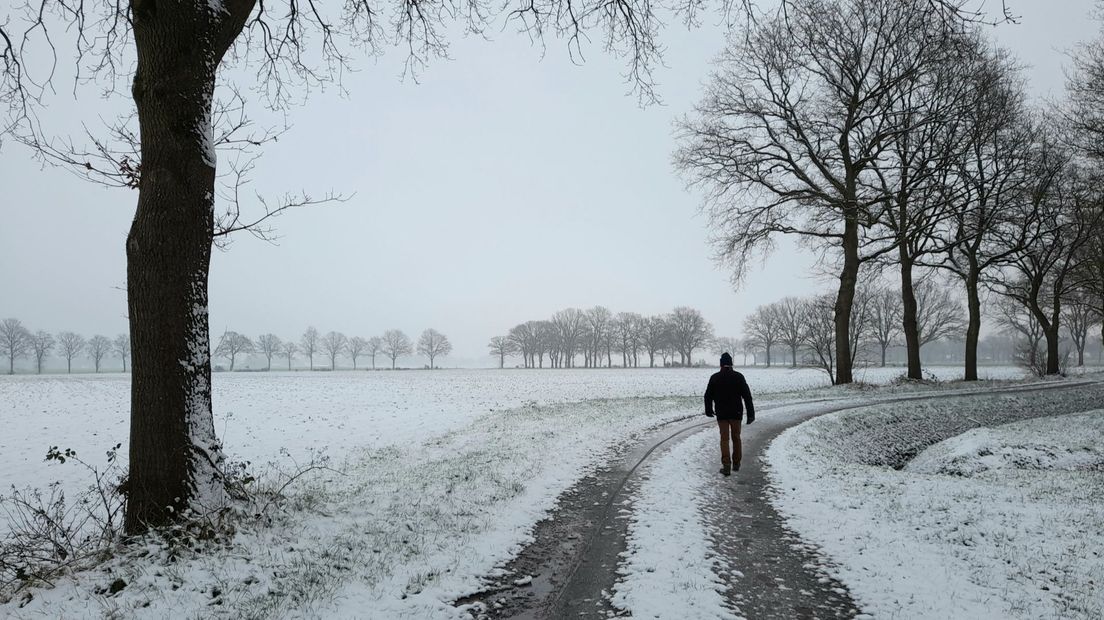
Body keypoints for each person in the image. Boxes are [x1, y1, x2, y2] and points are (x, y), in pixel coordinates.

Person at [704, 352, 755, 476]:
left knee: (724, 439)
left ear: (721, 364)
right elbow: (747, 396)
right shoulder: (739, 377)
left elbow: (708, 396)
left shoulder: (715, 377)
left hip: (722, 413)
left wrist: (709, 410)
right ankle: (736, 464)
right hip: (736, 412)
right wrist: (750, 414)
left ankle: (726, 465)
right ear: (731, 364)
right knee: (736, 438)